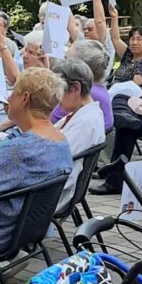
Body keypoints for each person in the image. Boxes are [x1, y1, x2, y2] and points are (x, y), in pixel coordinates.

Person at [0, 67, 73, 253]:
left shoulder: (20, 149)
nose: (8, 97)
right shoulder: (61, 141)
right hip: (26, 229)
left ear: (24, 98)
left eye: (13, 92)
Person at [89, 29, 142, 195]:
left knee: (125, 127)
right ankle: (124, 117)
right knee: (121, 98)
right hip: (141, 106)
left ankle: (114, 181)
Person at [52, 60, 106, 212]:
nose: (56, 97)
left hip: (52, 194)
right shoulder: (82, 113)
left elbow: (57, 161)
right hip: (54, 186)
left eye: (58, 90)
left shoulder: (86, 122)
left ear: (76, 88)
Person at [109, 21, 142, 85]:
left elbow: (133, 87)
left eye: (139, 39)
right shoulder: (128, 55)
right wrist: (114, 17)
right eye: (132, 39)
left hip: (122, 93)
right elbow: (115, 39)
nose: (134, 43)